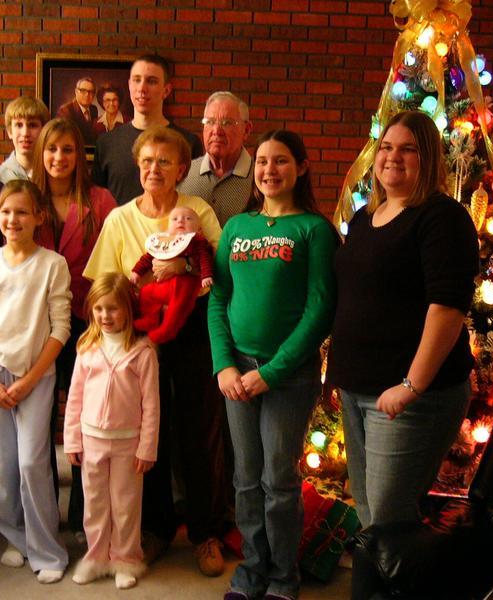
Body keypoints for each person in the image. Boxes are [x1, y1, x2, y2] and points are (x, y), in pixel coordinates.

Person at [84, 126, 227, 577]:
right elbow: (104, 285)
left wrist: (183, 265)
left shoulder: (197, 210)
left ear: (182, 169)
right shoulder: (120, 219)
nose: (154, 169)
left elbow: (220, 268)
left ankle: (205, 532)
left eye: (164, 162)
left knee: (198, 432)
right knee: (147, 433)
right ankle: (157, 528)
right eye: (147, 161)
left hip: (191, 330)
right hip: (139, 334)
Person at [327, 110, 479, 529]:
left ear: (427, 158)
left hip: (407, 398)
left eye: (408, 149)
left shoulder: (441, 217)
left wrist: (412, 385)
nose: (393, 157)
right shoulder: (364, 217)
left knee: (388, 519)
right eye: (387, 147)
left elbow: (447, 308)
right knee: (368, 511)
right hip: (358, 389)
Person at [209, 130, 339, 600]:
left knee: (278, 481)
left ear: (301, 167)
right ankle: (252, 570)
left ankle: (283, 578)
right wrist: (224, 365)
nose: (269, 170)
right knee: (245, 479)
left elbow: (320, 310)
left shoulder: (314, 230)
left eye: (280, 161)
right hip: (237, 369)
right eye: (262, 161)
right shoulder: (236, 228)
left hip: (289, 375)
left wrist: (272, 372)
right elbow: (219, 297)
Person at [0, 179, 72, 584]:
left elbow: (60, 328)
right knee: (2, 462)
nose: (13, 219)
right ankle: (17, 537)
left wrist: (30, 380)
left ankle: (47, 550)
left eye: (22, 212)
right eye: (6, 212)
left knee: (32, 461)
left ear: (38, 217)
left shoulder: (52, 265)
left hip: (36, 377)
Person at [31, 117, 117, 541]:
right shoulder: (28, 199)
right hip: (37, 325)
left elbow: (114, 261)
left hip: (88, 322)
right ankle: (44, 513)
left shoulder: (100, 200)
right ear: (40, 153)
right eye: (51, 149)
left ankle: (85, 513)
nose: (59, 157)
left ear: (79, 156)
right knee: (41, 419)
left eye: (67, 149)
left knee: (85, 418)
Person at [64, 273, 160, 590]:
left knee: (125, 504)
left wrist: (147, 448)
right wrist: (72, 440)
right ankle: (95, 557)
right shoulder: (87, 348)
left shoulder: (143, 352)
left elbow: (151, 405)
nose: (105, 316)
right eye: (99, 309)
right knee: (94, 503)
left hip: (128, 444)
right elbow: (75, 397)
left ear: (128, 310)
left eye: (113, 308)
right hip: (91, 440)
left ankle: (126, 559)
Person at [93, 54, 204, 205]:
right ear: (129, 85)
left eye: (151, 81)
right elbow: (97, 204)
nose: (142, 88)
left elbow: (193, 201)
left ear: (166, 90)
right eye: (136, 80)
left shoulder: (188, 143)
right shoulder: (106, 143)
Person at [130, 206, 214, 344]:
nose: (180, 221)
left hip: (185, 284)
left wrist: (206, 275)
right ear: (168, 228)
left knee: (177, 308)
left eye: (188, 219)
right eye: (175, 219)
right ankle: (151, 318)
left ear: (198, 229)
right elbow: (148, 257)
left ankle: (167, 330)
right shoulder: (164, 241)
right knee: (146, 292)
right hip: (163, 284)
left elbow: (205, 258)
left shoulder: (197, 241)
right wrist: (136, 272)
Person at [178, 91, 254, 226]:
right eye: (210, 122)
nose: (217, 131)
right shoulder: (183, 174)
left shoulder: (260, 179)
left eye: (227, 123)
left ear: (246, 130)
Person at [0, 95, 49, 183]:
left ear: (44, 130)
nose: (25, 133)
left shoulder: (53, 176)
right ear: (10, 131)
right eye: (19, 125)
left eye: (32, 125)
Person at [57, 77, 98, 146]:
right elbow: (64, 138)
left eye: (91, 92)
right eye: (83, 90)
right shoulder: (65, 111)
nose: (87, 95)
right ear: (76, 92)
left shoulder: (94, 109)